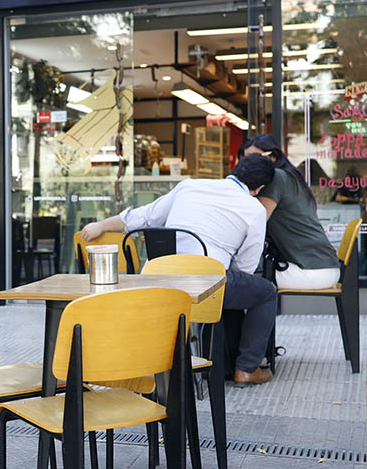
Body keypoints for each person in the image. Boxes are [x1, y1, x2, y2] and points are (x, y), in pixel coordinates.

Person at [80, 153, 277, 385]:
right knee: (266, 292)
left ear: (235, 169)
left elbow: (144, 217)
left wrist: (99, 225)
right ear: (259, 188)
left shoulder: (189, 186)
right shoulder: (254, 210)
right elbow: (246, 267)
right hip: (207, 287)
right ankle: (247, 368)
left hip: (161, 282)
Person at [237, 135, 340, 290]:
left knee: (238, 278)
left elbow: (255, 222)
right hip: (322, 267)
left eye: (255, 158)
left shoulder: (276, 178)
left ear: (272, 156)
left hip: (312, 271)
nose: (248, 165)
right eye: (244, 160)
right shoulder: (290, 176)